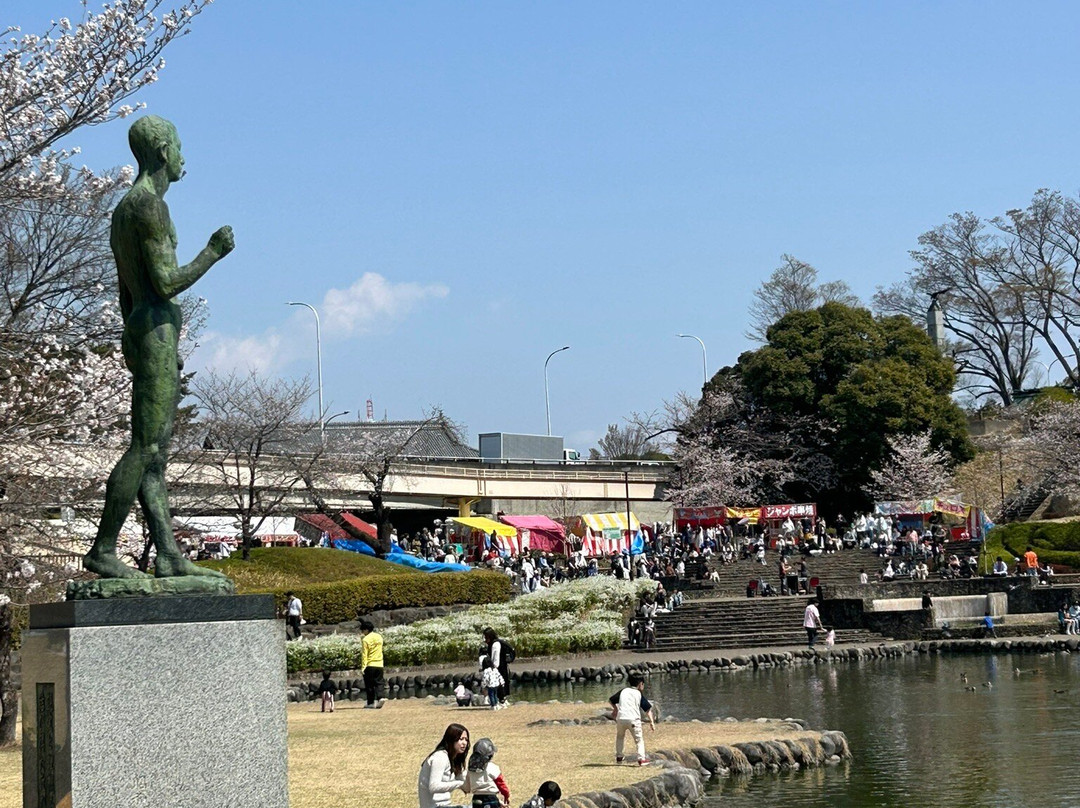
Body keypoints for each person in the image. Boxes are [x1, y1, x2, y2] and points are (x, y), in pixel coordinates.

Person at [84, 116, 235, 581]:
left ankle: (168, 554)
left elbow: (124, 288)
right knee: (146, 444)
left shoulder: (123, 210)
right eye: (180, 145)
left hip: (145, 329)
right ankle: (103, 548)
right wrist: (213, 251)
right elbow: (166, 281)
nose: (184, 155)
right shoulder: (150, 208)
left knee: (156, 455)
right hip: (155, 330)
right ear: (164, 153)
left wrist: (135, 336)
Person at [608, 672, 655, 765]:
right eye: (643, 684)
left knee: (620, 737)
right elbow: (648, 709)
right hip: (633, 720)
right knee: (639, 740)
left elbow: (611, 700)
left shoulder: (624, 691)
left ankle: (619, 756)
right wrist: (652, 722)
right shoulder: (638, 693)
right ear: (640, 684)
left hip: (621, 719)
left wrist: (615, 709)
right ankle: (642, 759)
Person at [419, 724, 470, 808]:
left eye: (466, 740)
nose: (464, 743)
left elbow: (466, 782)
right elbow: (434, 786)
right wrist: (459, 784)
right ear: (451, 739)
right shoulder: (440, 757)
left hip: (445, 805)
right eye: (461, 739)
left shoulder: (453, 759)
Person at [465, 738, 510, 808]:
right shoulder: (493, 767)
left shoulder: (470, 769)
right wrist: (506, 795)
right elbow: (501, 783)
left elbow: (467, 786)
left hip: (476, 799)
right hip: (491, 798)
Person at [482, 627, 512, 707]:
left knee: (497, 686)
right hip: (498, 668)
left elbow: (495, 659)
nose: (485, 639)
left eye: (486, 637)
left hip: (499, 668)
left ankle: (501, 701)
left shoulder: (495, 644)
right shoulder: (492, 644)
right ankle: (501, 700)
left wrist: (492, 668)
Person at [360, 618, 385, 709]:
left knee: (369, 685)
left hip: (370, 664)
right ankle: (380, 697)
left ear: (366, 630)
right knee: (379, 682)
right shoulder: (379, 637)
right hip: (379, 664)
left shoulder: (365, 639)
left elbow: (364, 655)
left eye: (363, 630)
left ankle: (370, 702)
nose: (362, 632)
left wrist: (363, 667)